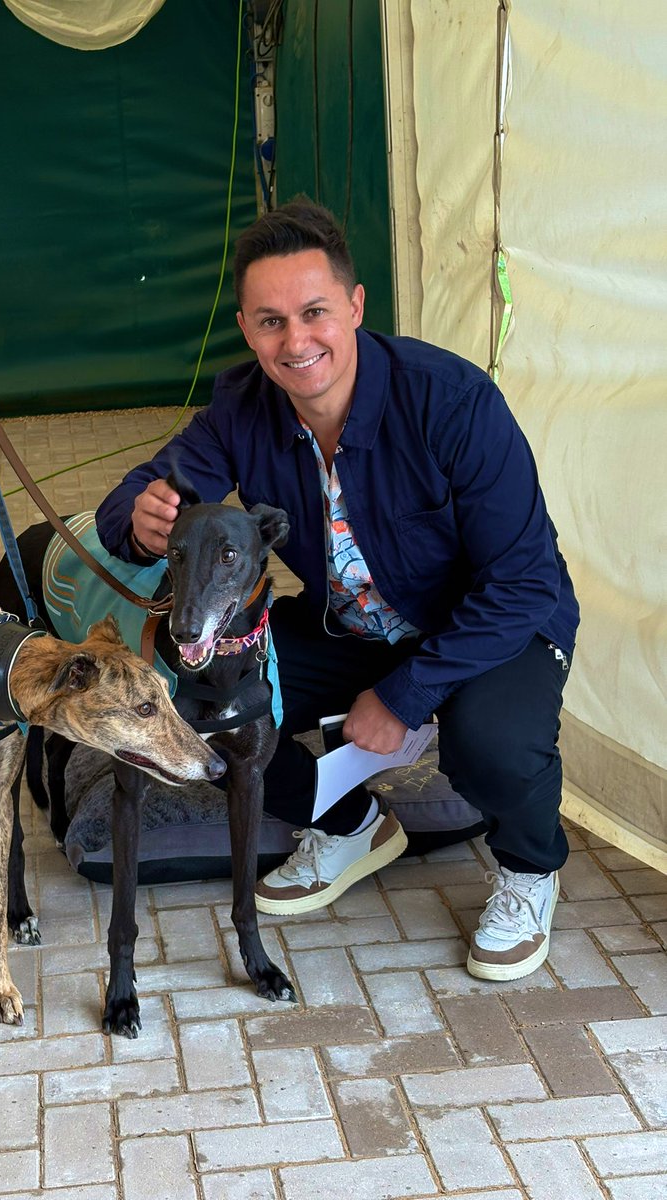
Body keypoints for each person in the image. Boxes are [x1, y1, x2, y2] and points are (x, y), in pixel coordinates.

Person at [96, 199, 580, 982]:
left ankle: (528, 870)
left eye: (314, 312)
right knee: (207, 689)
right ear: (249, 330)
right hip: (356, 627)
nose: (296, 341)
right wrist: (140, 516)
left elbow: (521, 583)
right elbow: (154, 484)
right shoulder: (241, 409)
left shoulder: (453, 403)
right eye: (270, 321)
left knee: (488, 741)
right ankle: (352, 822)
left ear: (354, 308)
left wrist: (405, 696)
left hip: (498, 626)